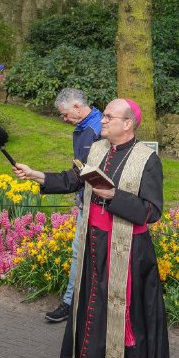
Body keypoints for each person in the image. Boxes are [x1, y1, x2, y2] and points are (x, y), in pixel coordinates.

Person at [13, 98, 169, 358]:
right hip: (95, 241)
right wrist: (37, 176)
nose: (103, 121)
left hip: (128, 249)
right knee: (96, 309)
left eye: (109, 117)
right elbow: (73, 180)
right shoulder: (97, 149)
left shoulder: (147, 159)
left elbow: (152, 212)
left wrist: (116, 196)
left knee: (127, 315)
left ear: (128, 123)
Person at [45, 88, 103, 323]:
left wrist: (45, 178)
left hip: (100, 203)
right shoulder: (81, 128)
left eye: (66, 114)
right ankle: (73, 301)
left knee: (85, 252)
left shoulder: (98, 128)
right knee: (79, 251)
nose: (64, 119)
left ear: (78, 107)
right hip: (85, 199)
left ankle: (77, 304)